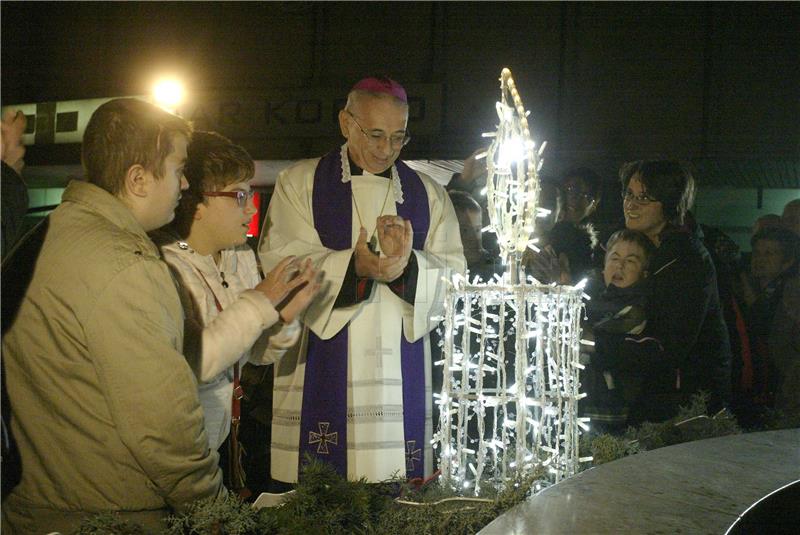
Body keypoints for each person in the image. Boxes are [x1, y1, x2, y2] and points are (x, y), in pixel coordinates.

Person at [1, 98, 225, 533]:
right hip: (113, 517)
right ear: (138, 179)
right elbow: (163, 426)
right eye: (179, 169)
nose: (184, 185)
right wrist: (215, 512)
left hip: (39, 507)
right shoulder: (126, 267)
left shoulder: (50, 232)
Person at [259, 76, 465, 485]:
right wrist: (354, 268)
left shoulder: (428, 193)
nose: (385, 149)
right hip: (319, 365)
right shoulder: (300, 182)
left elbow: (456, 276)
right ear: (345, 123)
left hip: (398, 378)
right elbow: (279, 262)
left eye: (398, 137)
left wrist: (407, 267)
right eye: (375, 134)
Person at [154, 132, 322, 495]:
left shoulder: (239, 257)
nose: (251, 208)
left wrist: (285, 318)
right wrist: (260, 303)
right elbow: (196, 364)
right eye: (240, 195)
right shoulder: (166, 264)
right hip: (176, 452)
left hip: (228, 439)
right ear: (197, 201)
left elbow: (254, 355)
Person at [614, 160, 731, 423]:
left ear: (670, 203)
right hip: (660, 394)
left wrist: (597, 346)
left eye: (644, 198)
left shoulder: (686, 259)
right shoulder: (643, 247)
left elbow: (668, 345)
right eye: (629, 195)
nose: (631, 205)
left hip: (686, 405)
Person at [582, 229, 656, 432]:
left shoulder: (635, 312)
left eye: (631, 261)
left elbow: (592, 339)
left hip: (611, 414)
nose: (620, 265)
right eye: (614, 258)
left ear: (644, 273)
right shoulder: (591, 302)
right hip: (584, 410)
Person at [744, 226, 800, 417]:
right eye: (757, 253)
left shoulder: (792, 294)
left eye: (770, 253)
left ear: (788, 261)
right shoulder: (751, 292)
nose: (760, 259)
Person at [449, 190, 500, 282]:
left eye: (477, 230)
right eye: (464, 230)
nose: (474, 238)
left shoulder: (495, 269)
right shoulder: (440, 268)